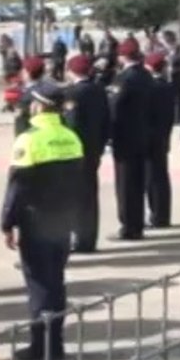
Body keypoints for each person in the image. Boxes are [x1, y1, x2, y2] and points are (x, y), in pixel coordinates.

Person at [1, 81, 82, 360]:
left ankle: (41, 346)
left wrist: (7, 222)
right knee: (56, 281)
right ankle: (56, 343)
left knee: (38, 284)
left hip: (35, 221)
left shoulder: (29, 139)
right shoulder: (70, 137)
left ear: (38, 105)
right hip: (63, 219)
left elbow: (17, 186)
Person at [63, 54, 110, 251]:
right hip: (94, 148)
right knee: (90, 195)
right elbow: (107, 120)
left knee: (76, 196)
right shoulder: (98, 90)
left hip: (77, 152)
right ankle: (89, 238)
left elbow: (72, 124)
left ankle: (80, 238)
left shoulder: (73, 93)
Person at [108, 38, 152, 239]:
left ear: (122, 56)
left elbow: (115, 108)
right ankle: (137, 223)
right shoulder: (145, 75)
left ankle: (129, 227)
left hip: (125, 136)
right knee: (137, 182)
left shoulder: (124, 78)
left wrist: (109, 133)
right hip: (143, 133)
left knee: (126, 185)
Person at [143, 52, 175, 228]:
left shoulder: (151, 87)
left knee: (153, 178)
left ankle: (157, 215)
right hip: (162, 135)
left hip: (151, 137)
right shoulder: (166, 86)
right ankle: (162, 214)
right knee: (161, 176)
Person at [14, 56, 46, 135]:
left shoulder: (25, 94)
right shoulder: (49, 89)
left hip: (29, 136)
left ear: (28, 73)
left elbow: (20, 120)